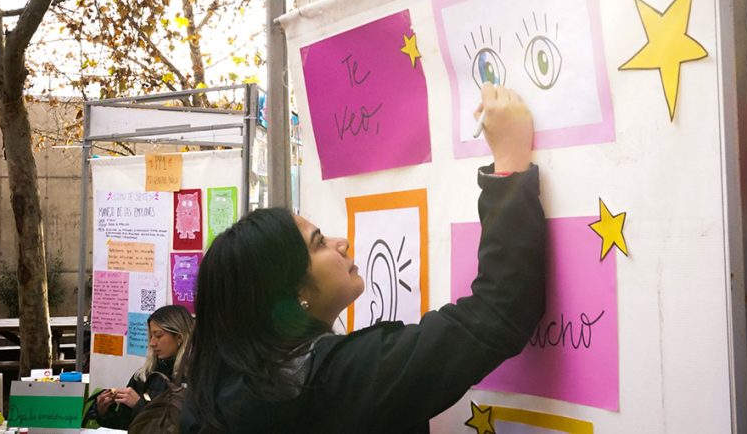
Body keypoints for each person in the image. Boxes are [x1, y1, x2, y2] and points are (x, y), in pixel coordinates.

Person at [182, 84, 546, 433]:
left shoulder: (214, 398)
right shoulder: (340, 381)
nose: (341, 243)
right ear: (291, 293)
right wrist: (509, 168)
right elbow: (498, 312)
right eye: (319, 242)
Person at [95, 304, 194, 430]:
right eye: (151, 336)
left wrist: (139, 405)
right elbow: (126, 424)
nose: (152, 343)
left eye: (158, 336)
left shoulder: (196, 378)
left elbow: (186, 425)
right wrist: (104, 412)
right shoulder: (144, 376)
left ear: (179, 337)